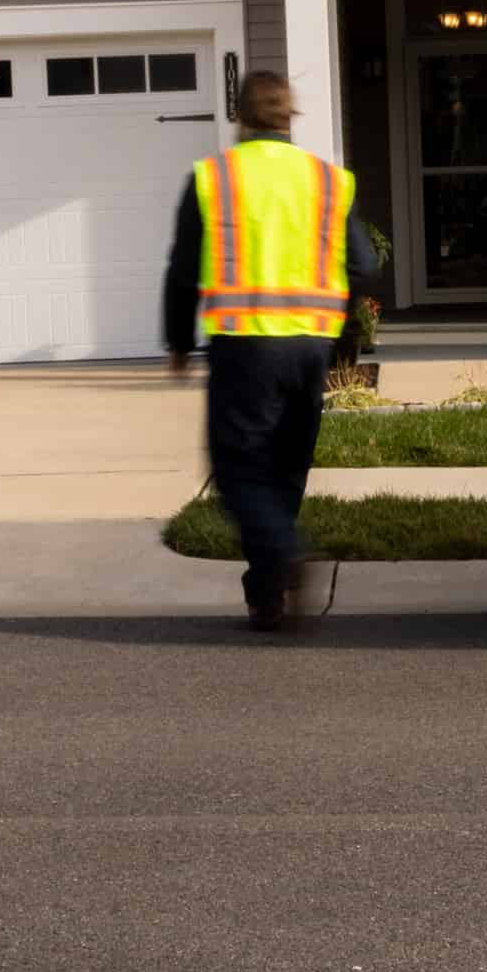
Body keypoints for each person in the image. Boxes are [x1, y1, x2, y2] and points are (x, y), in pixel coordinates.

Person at [162, 69, 381, 632]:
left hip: (245, 346)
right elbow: (364, 265)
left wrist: (179, 342)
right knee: (285, 467)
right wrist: (336, 330)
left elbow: (184, 270)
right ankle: (267, 595)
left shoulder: (214, 178)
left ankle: (282, 555)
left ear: (240, 116)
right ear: (290, 117)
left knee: (236, 468)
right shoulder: (327, 180)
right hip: (309, 346)